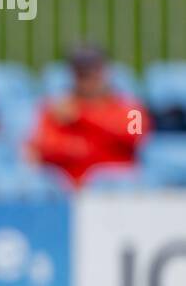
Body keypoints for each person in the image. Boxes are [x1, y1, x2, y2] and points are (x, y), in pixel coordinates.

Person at [29, 45, 149, 185]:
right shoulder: (56, 108)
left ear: (105, 72)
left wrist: (81, 118)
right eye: (82, 74)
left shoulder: (129, 107)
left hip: (116, 190)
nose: (88, 81)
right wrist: (86, 147)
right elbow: (45, 146)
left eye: (93, 73)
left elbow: (135, 136)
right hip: (70, 188)